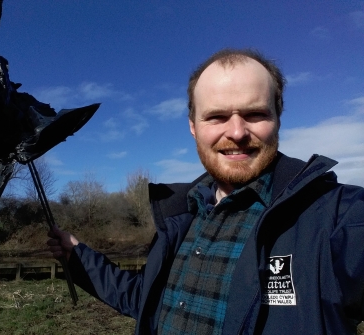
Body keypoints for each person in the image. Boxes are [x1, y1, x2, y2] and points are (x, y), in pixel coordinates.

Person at [47, 48, 364, 334]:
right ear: (193, 127)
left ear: (278, 117)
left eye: (254, 114)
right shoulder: (181, 214)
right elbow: (145, 299)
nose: (237, 132)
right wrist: (77, 256)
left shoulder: (336, 216)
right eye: (217, 117)